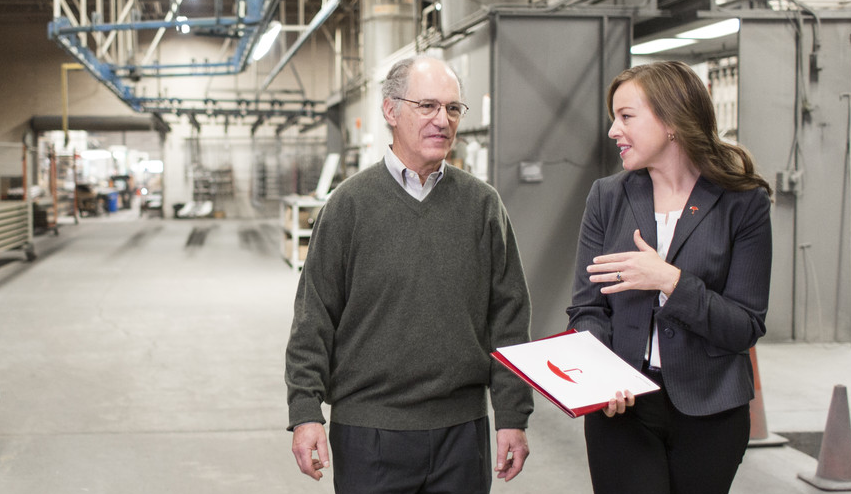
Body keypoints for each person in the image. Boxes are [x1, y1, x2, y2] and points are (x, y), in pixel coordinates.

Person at [284, 55, 534, 493]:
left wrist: (512, 415)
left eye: (453, 108)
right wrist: (305, 411)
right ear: (390, 110)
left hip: (462, 432)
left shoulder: (483, 206)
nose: (443, 120)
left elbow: (508, 318)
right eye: (428, 106)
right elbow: (313, 318)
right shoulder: (349, 206)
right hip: (369, 433)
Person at [566, 60, 773, 493]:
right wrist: (602, 375)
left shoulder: (743, 202)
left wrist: (669, 281)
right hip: (622, 410)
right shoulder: (607, 196)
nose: (612, 131)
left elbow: (745, 328)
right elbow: (587, 308)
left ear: (672, 120)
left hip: (711, 410)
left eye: (626, 117)